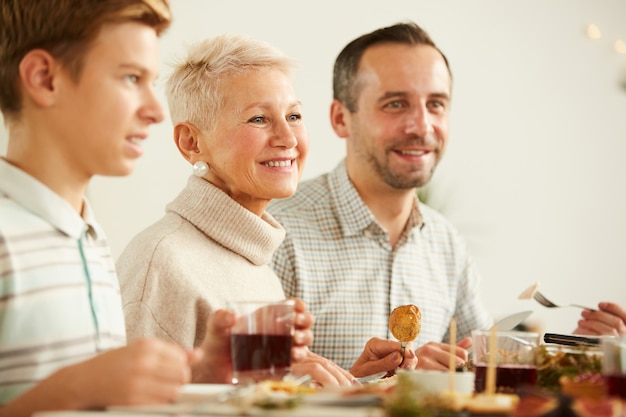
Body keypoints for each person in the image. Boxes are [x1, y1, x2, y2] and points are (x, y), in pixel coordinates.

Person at [0, 1, 238, 415]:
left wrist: (197, 377)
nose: (156, 111)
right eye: (131, 78)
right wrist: (77, 388)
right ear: (44, 78)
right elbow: (81, 392)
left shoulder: (85, 233)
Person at [116, 33, 356, 387]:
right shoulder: (161, 261)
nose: (288, 138)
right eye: (259, 119)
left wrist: (346, 384)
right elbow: (130, 406)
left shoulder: (257, 264)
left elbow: (256, 395)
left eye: (294, 115)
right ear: (191, 142)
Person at [268, 21, 493, 377]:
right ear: (342, 119)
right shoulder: (277, 234)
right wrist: (360, 387)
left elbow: (491, 369)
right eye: (396, 104)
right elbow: (252, 394)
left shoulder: (447, 243)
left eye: (436, 104)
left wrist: (580, 351)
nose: (421, 126)